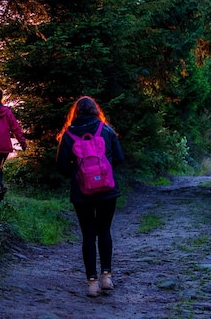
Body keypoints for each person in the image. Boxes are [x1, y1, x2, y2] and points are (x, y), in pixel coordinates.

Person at [55, 96, 124, 297]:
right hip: (107, 190)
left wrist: (78, 175)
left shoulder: (67, 135)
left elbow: (60, 166)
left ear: (75, 113)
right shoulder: (106, 130)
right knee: (104, 230)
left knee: (88, 235)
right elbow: (119, 158)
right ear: (96, 110)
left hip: (81, 192)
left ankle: (92, 283)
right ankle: (106, 278)